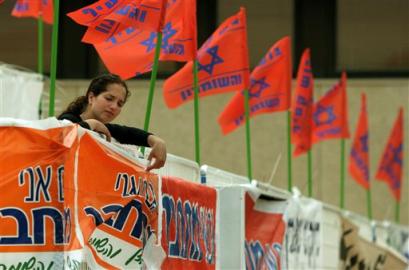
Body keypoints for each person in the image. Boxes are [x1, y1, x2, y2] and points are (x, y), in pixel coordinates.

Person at [58, 73, 166, 171]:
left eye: (120, 104)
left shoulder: (106, 131)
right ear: (91, 97)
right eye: (109, 98)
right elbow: (63, 135)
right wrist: (91, 124)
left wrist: (157, 141)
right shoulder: (67, 120)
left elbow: (129, 133)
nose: (114, 107)